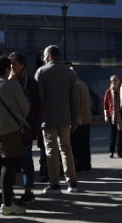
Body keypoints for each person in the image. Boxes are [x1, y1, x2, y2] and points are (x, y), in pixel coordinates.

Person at [0, 56, 30, 215]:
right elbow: (25, 108)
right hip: (10, 130)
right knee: (8, 167)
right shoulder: (13, 85)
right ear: (6, 70)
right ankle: (7, 204)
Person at [34, 45, 81, 195]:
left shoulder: (41, 72)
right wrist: (75, 119)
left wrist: (37, 119)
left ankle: (54, 184)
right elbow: (74, 99)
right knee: (66, 149)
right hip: (65, 118)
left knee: (51, 151)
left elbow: (38, 98)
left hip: (47, 118)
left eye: (44, 56)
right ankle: (72, 182)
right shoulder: (70, 73)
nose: (43, 59)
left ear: (48, 56)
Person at [8, 51, 42, 204]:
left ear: (22, 66)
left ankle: (28, 191)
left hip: (25, 127)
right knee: (9, 161)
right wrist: (9, 83)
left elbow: (37, 106)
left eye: (15, 64)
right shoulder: (5, 81)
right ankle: (9, 190)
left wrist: (35, 129)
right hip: (8, 128)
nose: (12, 67)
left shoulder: (30, 83)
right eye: (10, 65)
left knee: (26, 159)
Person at [69, 62, 93, 173]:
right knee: (85, 144)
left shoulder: (75, 86)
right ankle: (87, 165)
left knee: (78, 145)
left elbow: (76, 104)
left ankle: (80, 166)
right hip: (86, 118)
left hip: (79, 120)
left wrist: (74, 120)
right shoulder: (82, 83)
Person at [104, 75, 122, 158]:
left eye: (115, 81)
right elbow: (105, 104)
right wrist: (106, 115)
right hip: (112, 115)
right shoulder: (108, 92)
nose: (114, 83)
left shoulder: (120, 91)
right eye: (112, 81)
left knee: (120, 134)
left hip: (120, 115)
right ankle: (111, 151)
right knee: (113, 134)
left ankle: (119, 152)